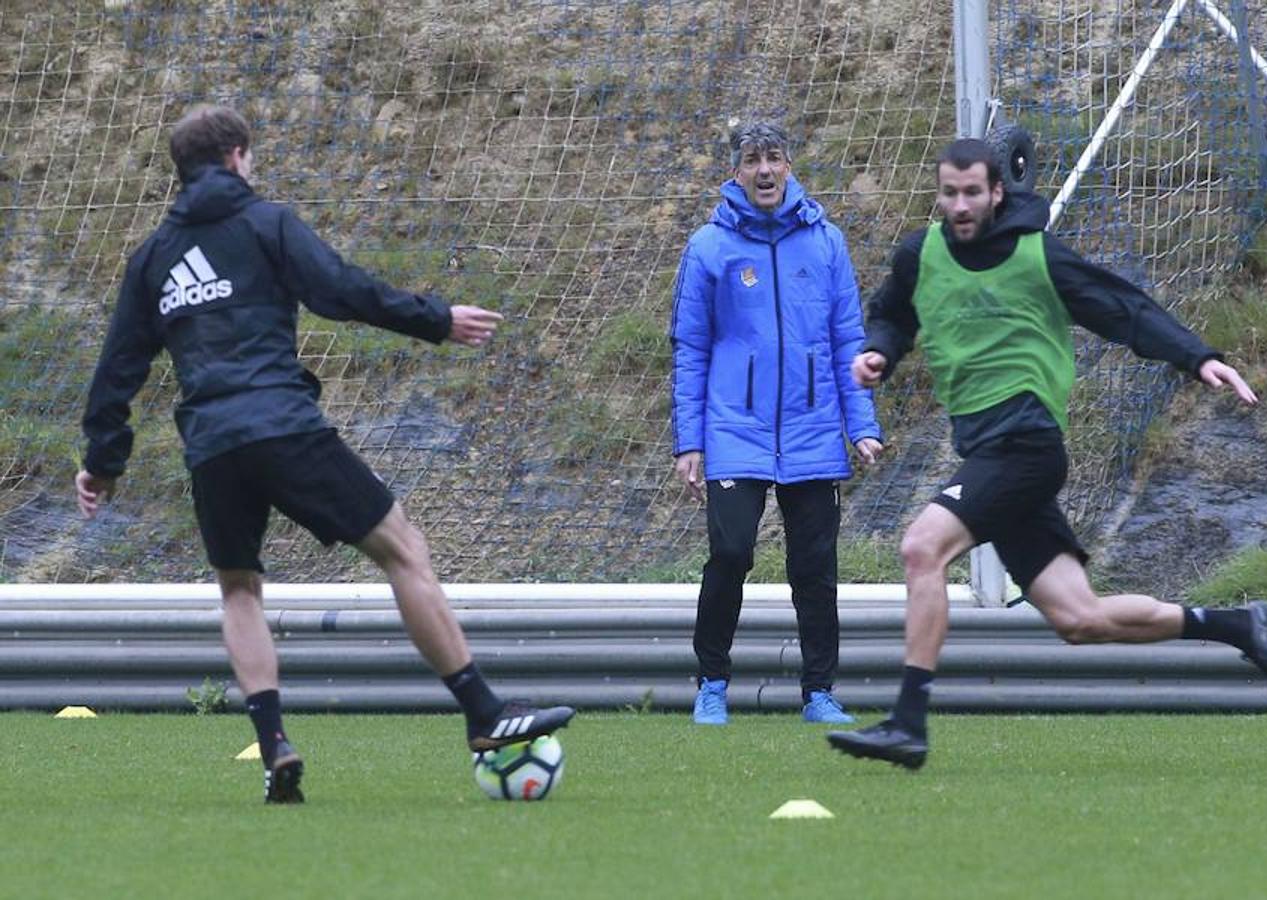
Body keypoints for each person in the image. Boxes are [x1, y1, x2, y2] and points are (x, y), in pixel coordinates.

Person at [76, 105, 574, 803]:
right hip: (284, 426)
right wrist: (435, 318)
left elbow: (116, 373)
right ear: (235, 158)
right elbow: (340, 291)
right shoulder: (265, 224)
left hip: (213, 448)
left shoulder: (153, 258)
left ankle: (274, 740)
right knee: (403, 548)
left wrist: (103, 463)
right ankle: (484, 713)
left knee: (239, 589)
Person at [827, 138, 1267, 769]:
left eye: (972, 193)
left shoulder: (1037, 257)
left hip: (1024, 448)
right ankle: (1241, 627)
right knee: (1081, 620)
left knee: (920, 548)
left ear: (997, 193)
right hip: (990, 452)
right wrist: (879, 351)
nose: (960, 206)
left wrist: (1198, 356)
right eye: (949, 193)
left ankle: (908, 722)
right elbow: (893, 316)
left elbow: (1123, 308)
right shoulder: (920, 254)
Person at [670, 121, 884, 726]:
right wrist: (690, 441)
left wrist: (860, 424)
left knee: (814, 567)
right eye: (752, 160)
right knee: (731, 552)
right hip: (734, 430)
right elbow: (690, 348)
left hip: (814, 431)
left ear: (790, 165)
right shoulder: (709, 247)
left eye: (774, 158)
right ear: (735, 172)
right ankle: (712, 682)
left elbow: (848, 339)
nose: (764, 170)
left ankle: (819, 693)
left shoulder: (826, 243)